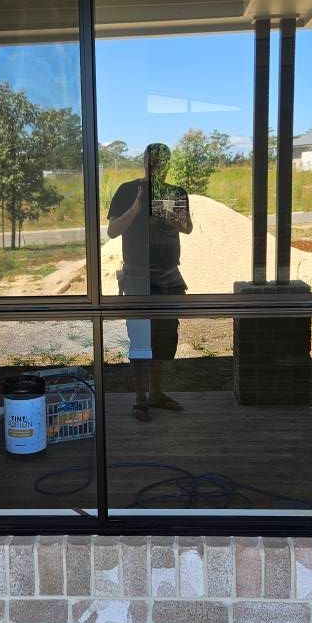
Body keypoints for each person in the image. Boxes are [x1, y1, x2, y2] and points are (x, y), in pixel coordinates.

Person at [107, 142, 192, 421]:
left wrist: (164, 209)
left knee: (165, 339)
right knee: (141, 339)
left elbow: (187, 228)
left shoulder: (175, 193)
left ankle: (156, 392)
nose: (155, 164)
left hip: (169, 276)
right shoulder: (126, 190)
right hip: (137, 277)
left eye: (161, 160)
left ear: (167, 163)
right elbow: (112, 231)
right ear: (143, 160)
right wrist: (136, 207)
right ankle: (140, 398)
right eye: (151, 159)